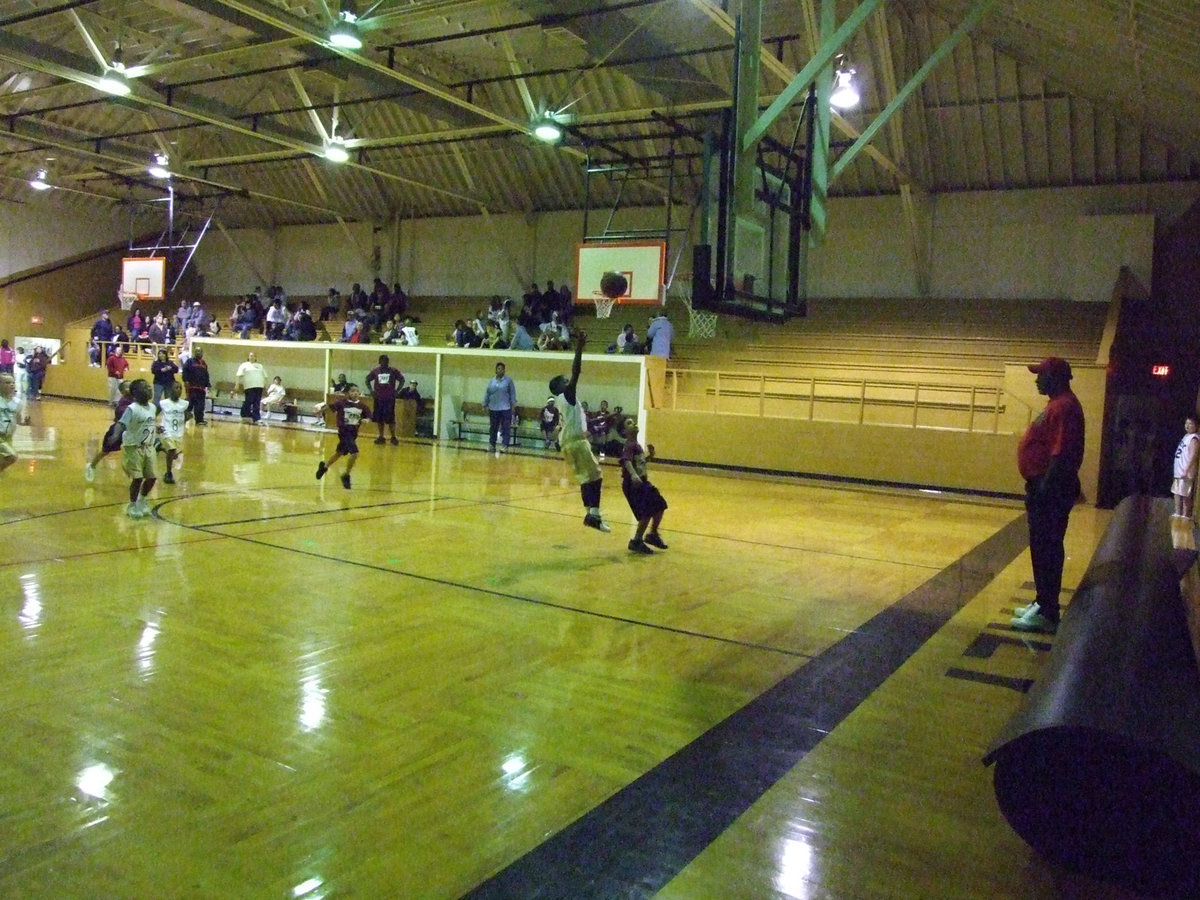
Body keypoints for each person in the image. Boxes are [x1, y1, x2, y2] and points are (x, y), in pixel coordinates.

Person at [1011, 357, 1085, 634]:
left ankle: (1048, 611)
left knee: (1047, 548)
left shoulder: (1064, 407)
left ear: (1054, 377)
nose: (1036, 380)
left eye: (1040, 375)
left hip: (1050, 488)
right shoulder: (1057, 405)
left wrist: (1044, 489)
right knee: (1042, 547)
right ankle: (1043, 602)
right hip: (1045, 485)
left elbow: (1061, 454)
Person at [549, 332, 610, 532]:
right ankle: (594, 514)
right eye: (565, 381)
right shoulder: (566, 394)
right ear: (560, 387)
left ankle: (589, 514)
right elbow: (576, 371)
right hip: (575, 442)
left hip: (566, 443)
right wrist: (579, 348)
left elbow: (574, 421)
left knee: (585, 477)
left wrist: (594, 420)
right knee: (596, 475)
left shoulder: (562, 402)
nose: (569, 382)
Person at [620, 417, 669, 554]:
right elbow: (626, 461)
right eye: (629, 423)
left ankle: (652, 534)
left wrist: (649, 456)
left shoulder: (637, 445)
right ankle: (636, 541)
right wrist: (634, 475)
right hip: (633, 484)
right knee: (647, 510)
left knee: (660, 504)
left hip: (643, 482)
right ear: (625, 431)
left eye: (634, 422)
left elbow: (638, 464)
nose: (634, 424)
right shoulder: (629, 445)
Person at [115, 379, 159, 519]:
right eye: (145, 388)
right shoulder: (132, 408)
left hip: (149, 447)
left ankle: (142, 499)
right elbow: (121, 424)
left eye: (149, 387)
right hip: (133, 447)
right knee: (138, 478)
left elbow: (147, 422)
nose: (149, 390)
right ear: (135, 393)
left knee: (151, 477)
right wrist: (115, 436)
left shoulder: (152, 407)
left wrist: (157, 428)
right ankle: (132, 505)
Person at [314, 384, 370, 489]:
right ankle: (346, 475)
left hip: (353, 433)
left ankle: (324, 466)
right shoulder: (342, 403)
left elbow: (368, 417)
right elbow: (329, 407)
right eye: (352, 391)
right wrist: (319, 411)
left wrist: (366, 420)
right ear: (348, 393)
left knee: (339, 453)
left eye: (357, 391)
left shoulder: (362, 406)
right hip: (344, 431)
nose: (355, 393)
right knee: (355, 453)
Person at [85, 381, 134, 481]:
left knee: (132, 454)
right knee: (105, 451)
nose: (131, 388)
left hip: (131, 431)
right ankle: (91, 466)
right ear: (123, 391)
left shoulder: (137, 399)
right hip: (118, 430)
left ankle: (134, 478)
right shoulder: (123, 403)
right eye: (128, 387)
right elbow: (122, 419)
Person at [366, 353, 405, 445]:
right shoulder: (376, 371)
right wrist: (371, 390)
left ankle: (393, 437)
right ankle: (381, 436)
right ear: (379, 362)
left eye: (386, 361)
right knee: (379, 418)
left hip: (389, 399)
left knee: (390, 418)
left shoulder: (393, 371)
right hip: (378, 398)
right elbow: (367, 379)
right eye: (383, 361)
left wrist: (397, 391)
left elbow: (402, 380)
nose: (385, 362)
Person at [156, 381, 190, 484]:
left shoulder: (184, 404)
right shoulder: (163, 403)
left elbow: (186, 417)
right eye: (176, 388)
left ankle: (160, 446)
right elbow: (152, 415)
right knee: (172, 450)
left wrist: (186, 418)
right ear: (170, 390)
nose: (179, 390)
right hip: (165, 430)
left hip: (178, 433)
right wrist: (156, 426)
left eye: (180, 388)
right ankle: (168, 473)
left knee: (174, 455)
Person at [483, 361, 516, 453]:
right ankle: (492, 445)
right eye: (498, 369)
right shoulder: (492, 381)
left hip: (505, 408)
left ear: (504, 371)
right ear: (496, 370)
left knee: (506, 427)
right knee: (493, 427)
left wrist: (513, 405)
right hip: (493, 408)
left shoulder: (508, 381)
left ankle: (505, 445)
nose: (500, 370)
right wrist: (484, 403)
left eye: (502, 369)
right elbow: (488, 393)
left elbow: (512, 393)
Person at [1172, 415, 1200, 519]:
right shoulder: (1186, 436)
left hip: (1185, 472)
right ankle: (1178, 513)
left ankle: (1185, 516)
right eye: (1186, 423)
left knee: (1185, 495)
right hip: (1179, 470)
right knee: (1177, 492)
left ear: (1196, 426)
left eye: (1190, 424)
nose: (1187, 426)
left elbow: (1193, 455)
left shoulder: (1194, 438)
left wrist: (1186, 469)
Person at [232, 351, 268, 424]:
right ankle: (244, 414)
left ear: (256, 358)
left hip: (259, 386)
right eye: (250, 356)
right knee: (249, 401)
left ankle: (256, 418)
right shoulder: (244, 365)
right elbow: (238, 375)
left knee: (257, 402)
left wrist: (266, 387)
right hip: (249, 386)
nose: (252, 357)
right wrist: (237, 385)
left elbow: (265, 376)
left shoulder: (260, 366)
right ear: (248, 357)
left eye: (253, 356)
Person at [181, 346, 211, 426]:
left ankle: (199, 420)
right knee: (189, 405)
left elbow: (206, 375)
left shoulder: (204, 363)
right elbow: (185, 373)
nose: (199, 353)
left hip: (201, 389)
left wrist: (208, 384)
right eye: (197, 351)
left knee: (200, 406)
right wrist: (186, 382)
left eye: (200, 351)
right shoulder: (189, 362)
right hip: (192, 388)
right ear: (195, 352)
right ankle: (181, 419)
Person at [0, 373, 21, 476]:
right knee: (12, 456)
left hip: (8, 437)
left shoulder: (17, 402)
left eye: (13, 382)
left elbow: (17, 418)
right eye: (7, 383)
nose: (12, 385)